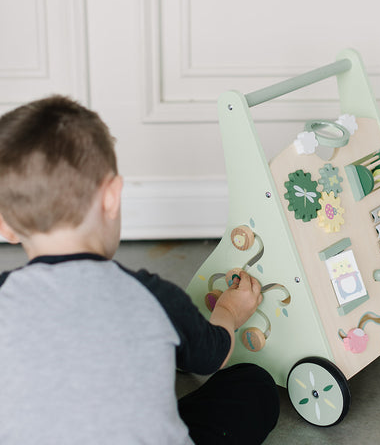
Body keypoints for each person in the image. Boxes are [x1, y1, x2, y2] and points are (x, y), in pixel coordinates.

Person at [0, 96, 279, 444]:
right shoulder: (151, 295)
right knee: (252, 385)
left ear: (5, 226)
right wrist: (229, 310)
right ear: (112, 197)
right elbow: (215, 355)